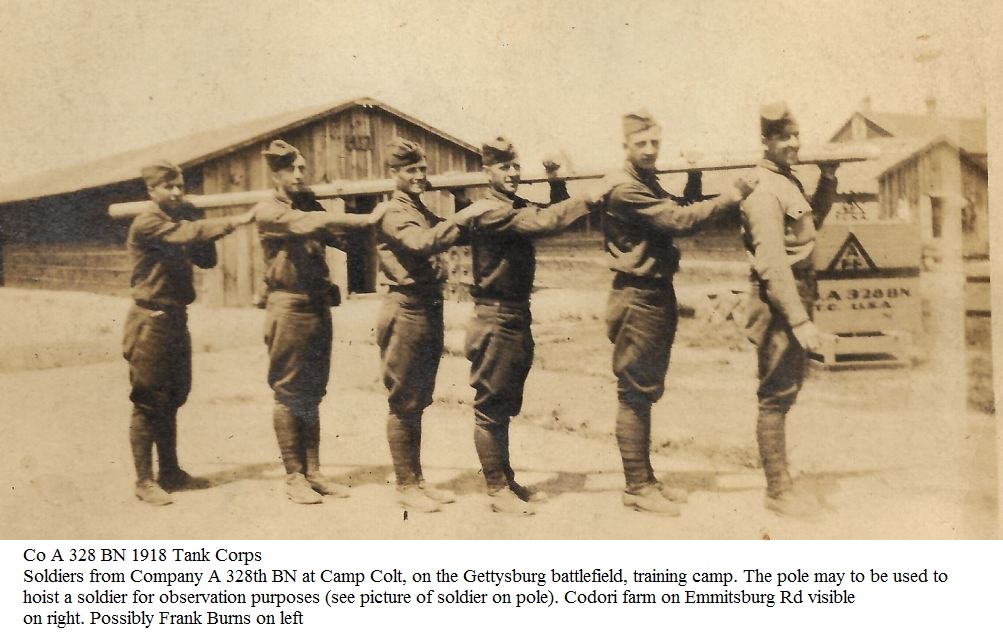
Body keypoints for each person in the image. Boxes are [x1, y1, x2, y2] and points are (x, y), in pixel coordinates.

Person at [604, 109, 757, 515]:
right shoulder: (625, 188)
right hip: (637, 297)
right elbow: (677, 219)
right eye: (641, 143)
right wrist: (732, 195)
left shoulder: (644, 181)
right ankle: (637, 487)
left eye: (655, 142)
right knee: (634, 393)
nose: (650, 149)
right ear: (625, 145)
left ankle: (645, 479)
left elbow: (677, 206)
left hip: (654, 294)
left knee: (644, 391)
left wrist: (694, 177)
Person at [463, 137, 612, 516]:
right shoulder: (489, 211)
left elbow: (550, 214)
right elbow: (545, 221)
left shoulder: (512, 205)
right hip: (495, 317)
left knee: (504, 404)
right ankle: (496, 489)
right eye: (504, 167)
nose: (513, 173)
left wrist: (557, 182)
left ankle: (506, 479)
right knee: (490, 408)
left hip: (515, 315)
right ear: (487, 172)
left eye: (516, 166)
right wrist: (590, 196)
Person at [253, 140, 378, 505]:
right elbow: (314, 224)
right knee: (289, 392)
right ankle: (294, 476)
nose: (298, 175)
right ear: (276, 174)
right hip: (288, 306)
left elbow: (343, 239)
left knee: (312, 391)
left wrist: (360, 215)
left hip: (317, 306)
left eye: (302, 169)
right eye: (291, 169)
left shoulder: (307, 205)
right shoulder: (270, 211)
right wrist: (367, 216)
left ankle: (313, 472)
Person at [124, 160, 255, 505]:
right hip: (150, 321)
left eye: (180, 186)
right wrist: (235, 221)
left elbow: (206, 260)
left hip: (176, 320)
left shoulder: (179, 221)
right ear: (152, 190)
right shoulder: (148, 222)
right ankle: (143, 481)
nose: (176, 192)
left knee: (172, 398)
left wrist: (195, 217)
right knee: (148, 402)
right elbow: (187, 234)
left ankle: (170, 472)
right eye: (168, 187)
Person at [375, 137, 491, 514]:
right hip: (405, 309)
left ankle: (417, 480)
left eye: (423, 169)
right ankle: (405, 484)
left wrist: (464, 203)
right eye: (411, 170)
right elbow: (423, 242)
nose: (419, 176)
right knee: (403, 401)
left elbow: (457, 231)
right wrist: (463, 216)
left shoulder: (417, 207)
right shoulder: (393, 211)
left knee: (417, 400)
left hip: (426, 308)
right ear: (394, 173)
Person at [740, 101, 839, 517]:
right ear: (766, 140)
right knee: (775, 396)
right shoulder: (765, 190)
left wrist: (828, 179)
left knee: (786, 390)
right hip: (779, 301)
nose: (794, 143)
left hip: (795, 294)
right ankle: (779, 491)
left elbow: (807, 226)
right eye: (784, 137)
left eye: (797, 134)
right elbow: (772, 263)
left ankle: (782, 483)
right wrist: (798, 320)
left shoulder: (787, 180)